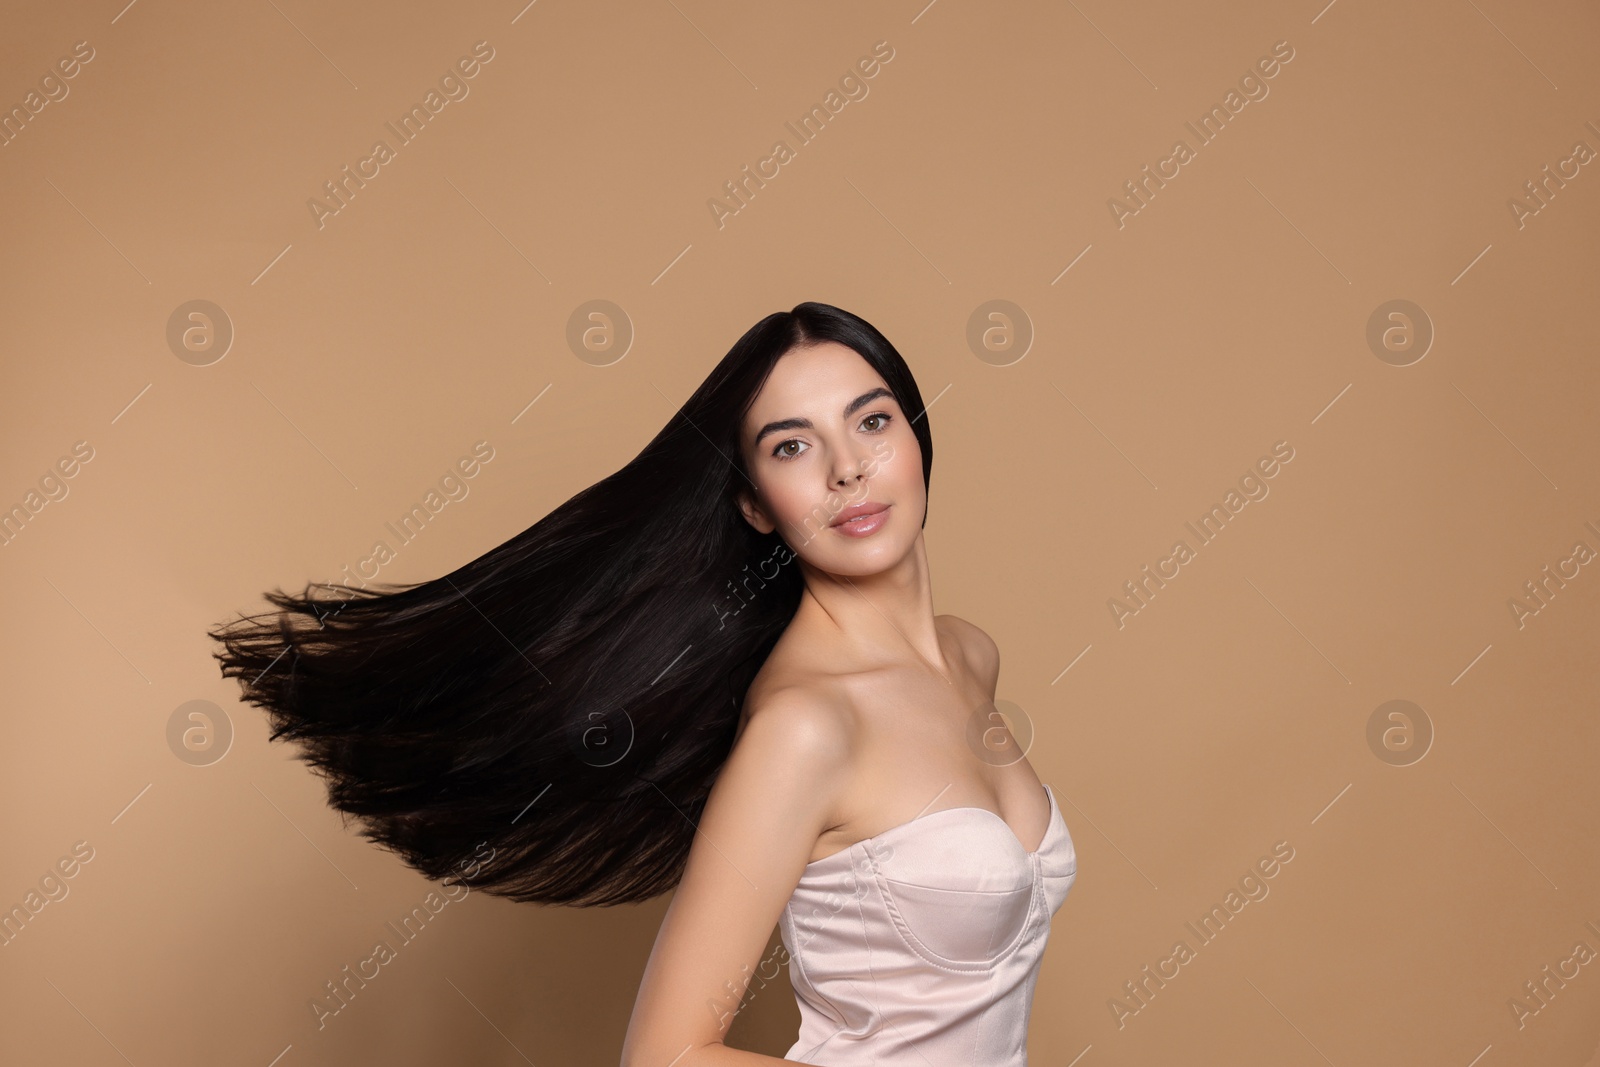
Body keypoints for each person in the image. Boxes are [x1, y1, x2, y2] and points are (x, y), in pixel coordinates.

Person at [208, 302, 1075, 1065]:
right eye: (793, 445)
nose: (847, 468)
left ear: (917, 434)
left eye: (873, 422)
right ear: (755, 503)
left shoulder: (969, 657)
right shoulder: (806, 726)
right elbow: (665, 1055)